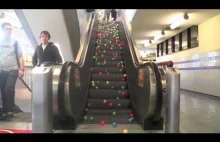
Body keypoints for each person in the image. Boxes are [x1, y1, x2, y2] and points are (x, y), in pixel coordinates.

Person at [0, 22, 24, 120]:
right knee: (2, 90)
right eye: (7, 29)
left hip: (13, 69)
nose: (9, 31)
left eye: (10, 29)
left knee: (9, 88)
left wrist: (21, 69)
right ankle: (5, 110)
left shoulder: (15, 42)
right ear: (2, 30)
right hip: (2, 70)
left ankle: (10, 109)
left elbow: (20, 56)